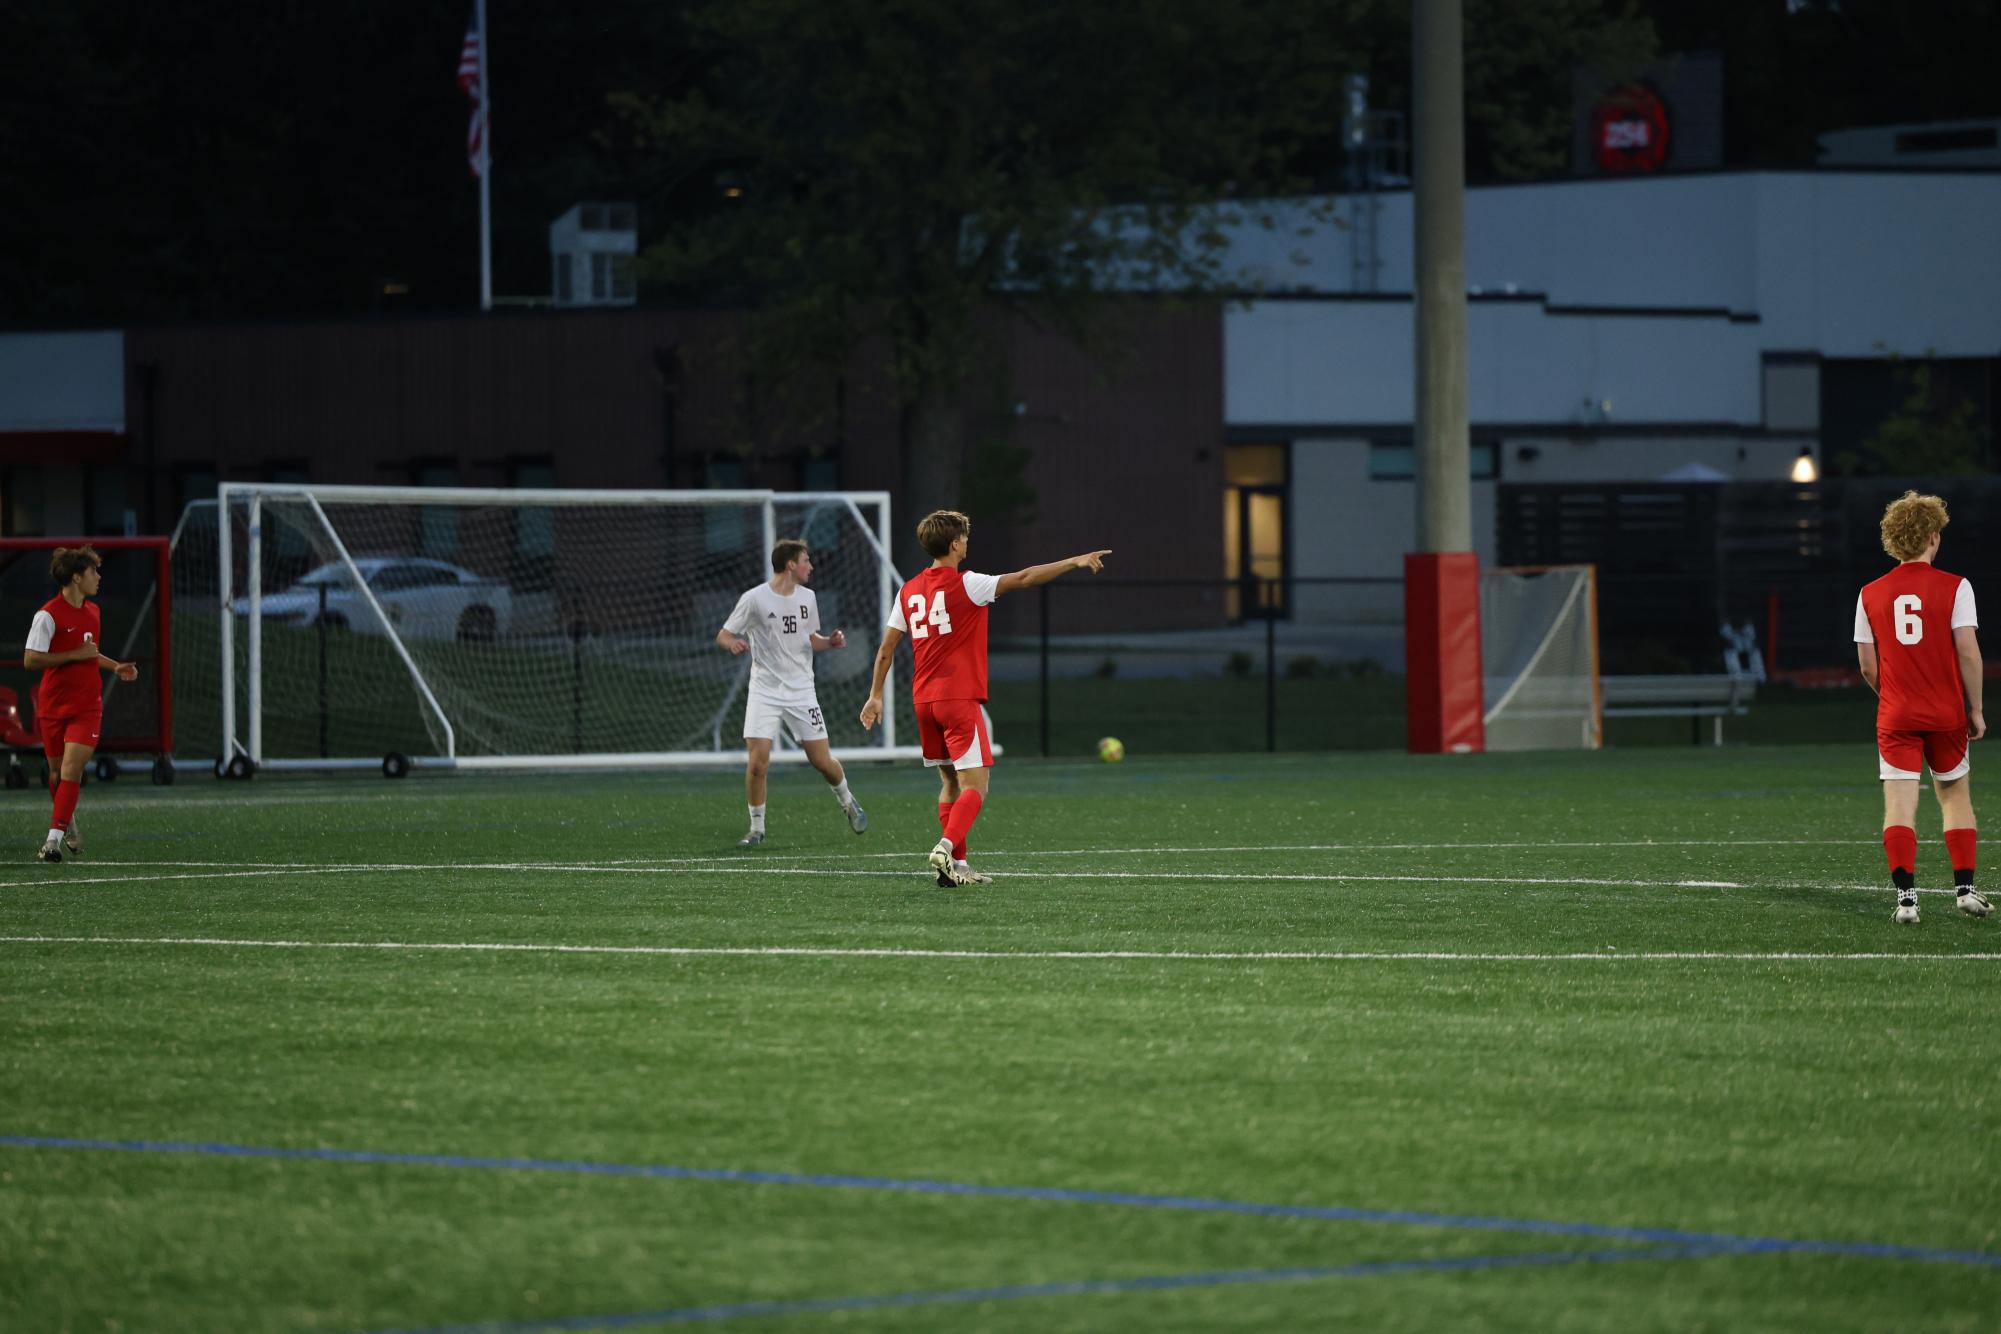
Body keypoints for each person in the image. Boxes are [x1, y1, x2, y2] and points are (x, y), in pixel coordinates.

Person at [860, 509, 1109, 886]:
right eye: (964, 536)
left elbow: (886, 648)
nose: (967, 542)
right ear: (956, 543)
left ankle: (957, 869)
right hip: (958, 699)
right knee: (976, 786)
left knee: (950, 783)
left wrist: (876, 695)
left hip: (924, 701)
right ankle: (945, 847)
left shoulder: (908, 590)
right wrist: (1073, 561)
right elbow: (1025, 578)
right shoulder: (969, 583)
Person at [1855, 490, 1993, 924]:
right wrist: (1976, 709)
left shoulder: (1869, 593)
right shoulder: (1956, 587)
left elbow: (1866, 666)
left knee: (1899, 805)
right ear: (1933, 537)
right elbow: (1968, 652)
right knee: (1955, 798)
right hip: (1945, 713)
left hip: (1896, 715)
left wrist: (1894, 696)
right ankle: (1966, 891)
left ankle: (1907, 900)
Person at [717, 538, 866, 846]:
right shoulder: (755, 599)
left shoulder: (808, 597)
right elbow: (724, 633)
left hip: (801, 691)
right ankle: (756, 828)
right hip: (765, 691)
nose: (810, 566)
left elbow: (810, 638)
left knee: (822, 761)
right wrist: (732, 643)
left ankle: (848, 801)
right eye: (806, 560)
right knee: (758, 763)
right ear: (790, 565)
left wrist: (831, 642)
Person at [23, 546, 138, 863]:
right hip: (53, 705)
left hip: (88, 706)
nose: (98, 578)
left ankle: (51, 842)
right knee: (57, 774)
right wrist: (75, 655)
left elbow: (89, 653)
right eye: (93, 572)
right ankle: (68, 824)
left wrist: (114, 666)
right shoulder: (48, 615)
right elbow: (31, 659)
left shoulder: (93, 612)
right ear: (76, 577)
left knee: (73, 769)